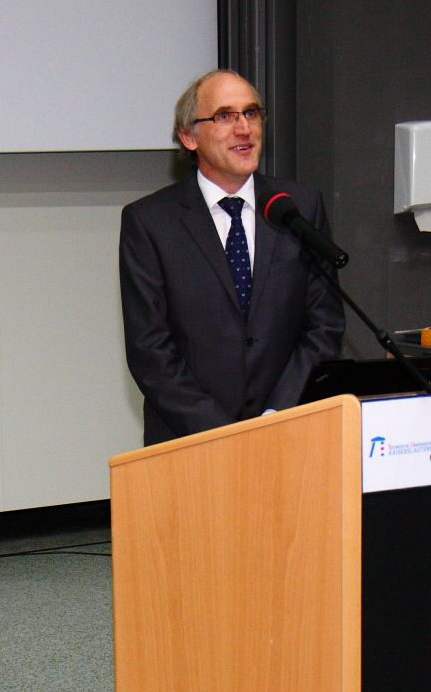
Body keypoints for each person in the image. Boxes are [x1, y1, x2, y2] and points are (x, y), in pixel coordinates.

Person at [119, 69, 345, 445]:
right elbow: (150, 351)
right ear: (189, 136)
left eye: (251, 113)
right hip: (190, 444)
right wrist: (227, 436)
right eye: (224, 116)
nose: (244, 129)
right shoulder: (149, 222)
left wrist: (276, 416)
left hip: (288, 435)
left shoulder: (298, 208)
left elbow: (324, 327)